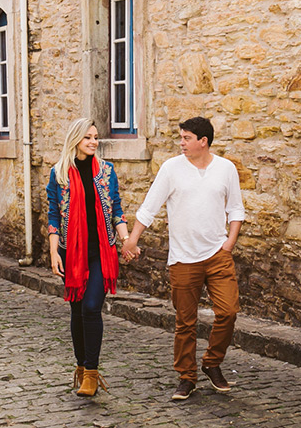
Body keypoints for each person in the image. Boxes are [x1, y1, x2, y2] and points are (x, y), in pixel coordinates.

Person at [121, 116, 244, 401]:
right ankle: (186, 377)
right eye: (181, 137)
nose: (181, 143)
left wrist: (229, 243)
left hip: (217, 255)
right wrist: (132, 239)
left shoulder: (226, 168)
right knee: (185, 323)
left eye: (187, 138)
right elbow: (149, 207)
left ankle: (212, 362)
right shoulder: (171, 169)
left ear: (203, 141)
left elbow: (236, 209)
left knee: (228, 312)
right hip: (183, 259)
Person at [47, 118, 130, 397]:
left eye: (96, 137)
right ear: (75, 141)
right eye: (88, 138)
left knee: (91, 307)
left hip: (100, 251)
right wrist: (52, 252)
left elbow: (116, 208)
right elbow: (54, 216)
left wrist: (126, 237)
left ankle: (92, 374)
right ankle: (82, 368)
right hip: (70, 253)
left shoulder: (106, 171)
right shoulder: (58, 174)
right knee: (77, 310)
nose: (94, 142)